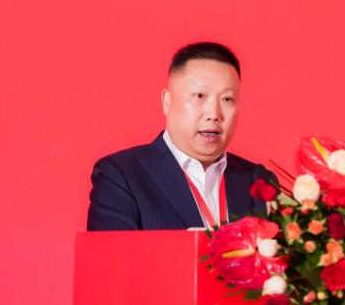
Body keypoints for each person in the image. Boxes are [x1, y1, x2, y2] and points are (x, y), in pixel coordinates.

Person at [87, 42, 278, 230]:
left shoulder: (258, 180)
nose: (214, 114)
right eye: (199, 96)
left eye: (227, 99)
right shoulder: (121, 176)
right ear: (167, 102)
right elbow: (114, 252)